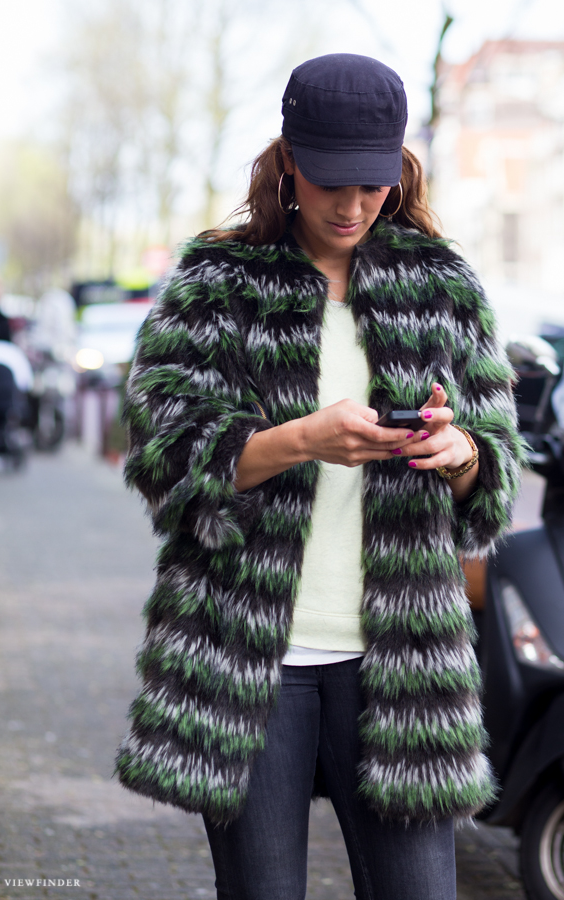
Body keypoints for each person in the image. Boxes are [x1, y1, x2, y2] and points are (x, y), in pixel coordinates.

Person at [116, 54, 525, 900]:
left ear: (398, 168)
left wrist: (462, 455)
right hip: (246, 652)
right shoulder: (217, 283)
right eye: (332, 181)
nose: (351, 206)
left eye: (372, 185)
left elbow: (496, 463)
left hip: (403, 654)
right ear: (289, 157)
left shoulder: (439, 284)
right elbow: (162, 452)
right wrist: (296, 439)